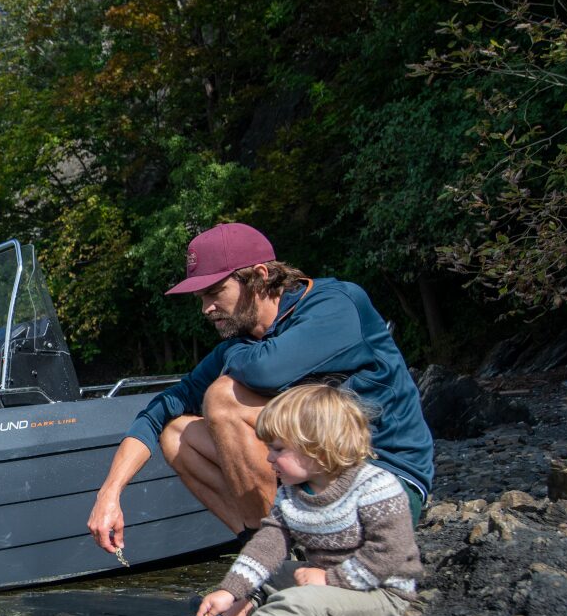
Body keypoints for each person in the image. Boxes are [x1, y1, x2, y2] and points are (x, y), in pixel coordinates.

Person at [86, 222, 433, 546]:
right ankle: (267, 553)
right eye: (201, 298)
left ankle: (274, 557)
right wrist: (109, 494)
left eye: (215, 292)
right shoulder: (242, 346)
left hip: (383, 480)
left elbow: (267, 370)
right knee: (177, 434)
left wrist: (231, 354)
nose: (206, 308)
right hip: (312, 480)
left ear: (259, 277)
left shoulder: (336, 304)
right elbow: (154, 414)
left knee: (223, 397)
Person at [156, 383, 422, 616]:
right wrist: (230, 591)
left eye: (278, 449)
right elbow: (268, 545)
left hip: (381, 591)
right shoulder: (292, 493)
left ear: (317, 448)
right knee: (266, 576)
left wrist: (330, 580)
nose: (268, 458)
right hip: (327, 576)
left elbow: (389, 553)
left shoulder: (376, 487)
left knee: (296, 602)